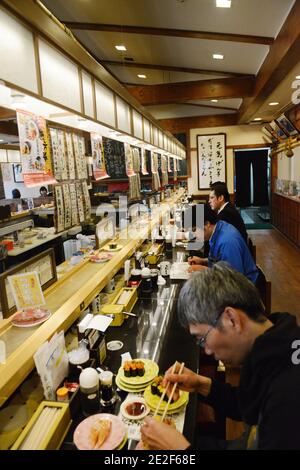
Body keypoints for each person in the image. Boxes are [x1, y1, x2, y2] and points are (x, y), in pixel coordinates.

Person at [141, 263, 300, 450]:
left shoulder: (288, 394)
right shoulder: (275, 346)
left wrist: (180, 450)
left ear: (231, 319)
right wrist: (201, 384)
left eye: (202, 338)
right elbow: (249, 403)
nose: (206, 350)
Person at [188, 204, 258, 283]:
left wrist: (204, 270)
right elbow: (219, 260)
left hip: (243, 288)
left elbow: (233, 279)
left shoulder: (227, 242)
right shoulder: (218, 227)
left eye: (194, 230)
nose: (193, 235)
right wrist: (203, 261)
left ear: (207, 224)